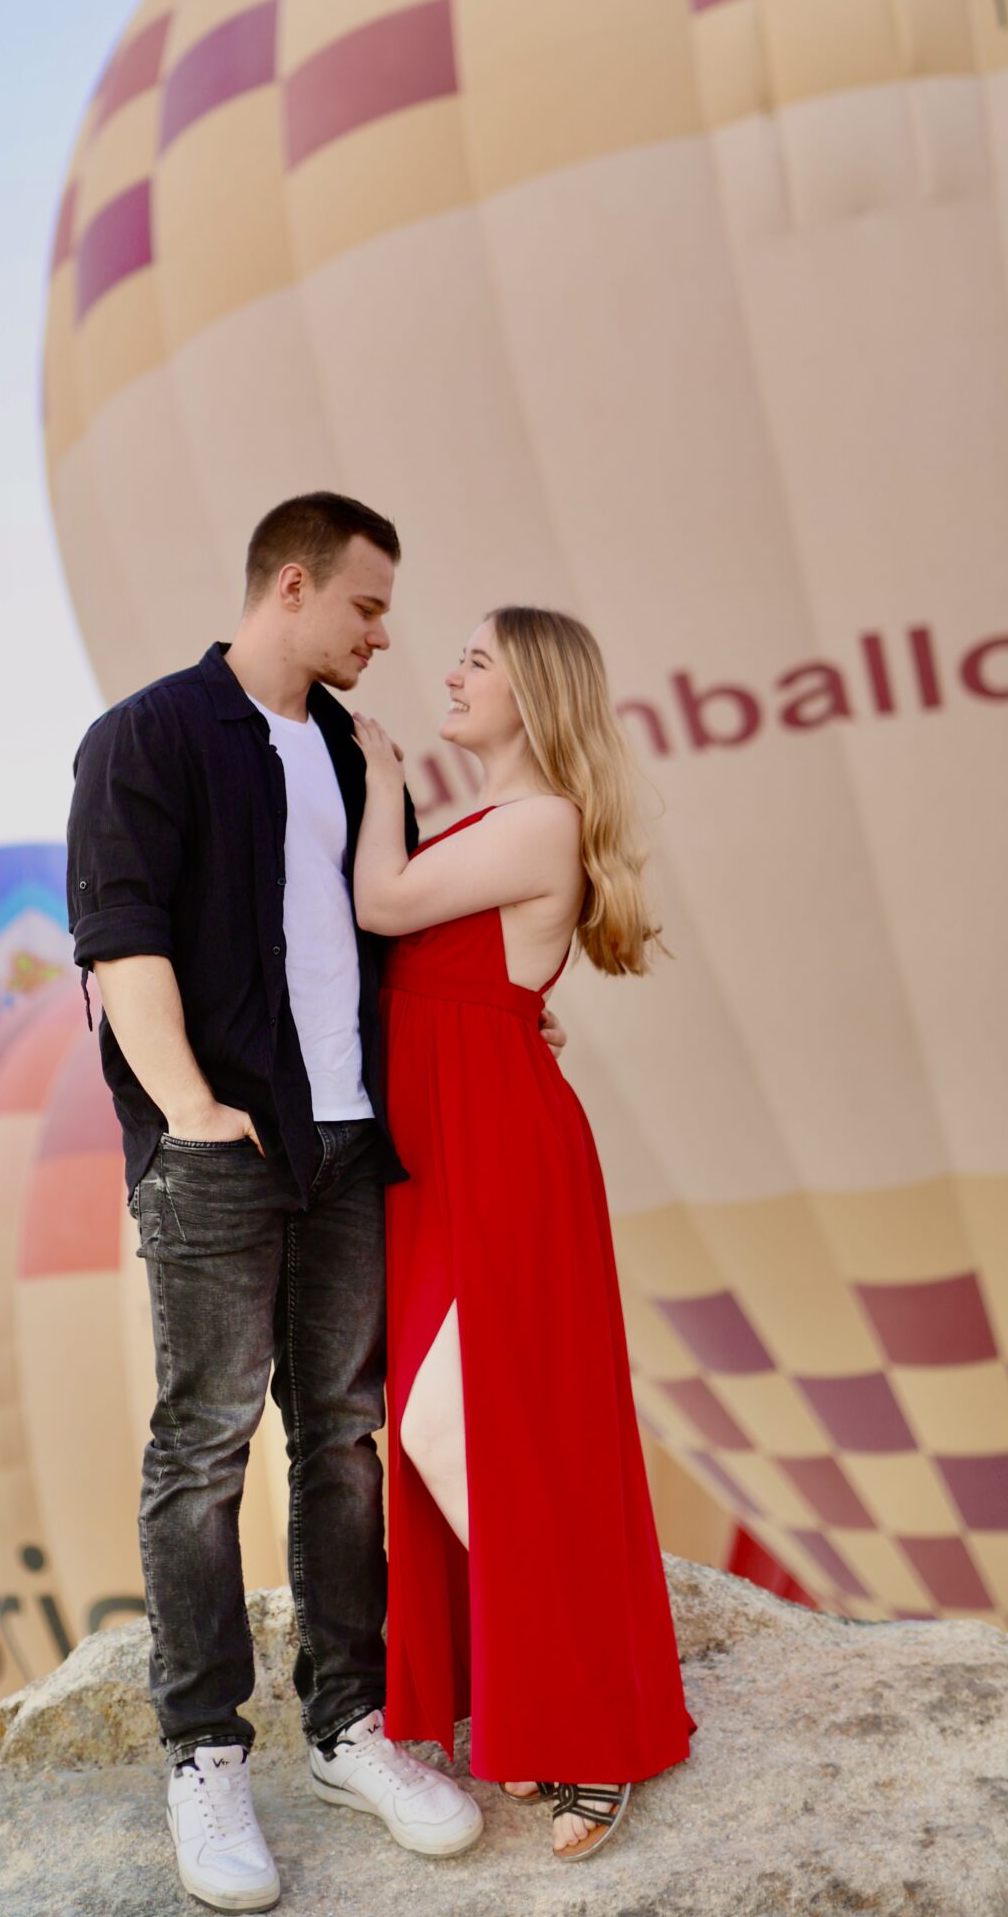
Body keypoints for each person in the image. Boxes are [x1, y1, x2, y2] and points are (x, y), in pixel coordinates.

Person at [67, 495, 565, 1913]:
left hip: (352, 1141)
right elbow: (119, 935)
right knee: (206, 1441)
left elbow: (392, 926)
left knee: (342, 1436)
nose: (384, 634)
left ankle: (349, 1726)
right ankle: (205, 1752)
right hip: (220, 1144)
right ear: (291, 586)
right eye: (366, 606)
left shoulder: (353, 753)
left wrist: (513, 1011)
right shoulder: (149, 735)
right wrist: (187, 1108)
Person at [351, 604, 696, 1864]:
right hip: (447, 1143)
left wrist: (376, 773)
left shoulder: (541, 816)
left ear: (533, 693)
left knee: (459, 1427)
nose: (452, 673)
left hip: (493, 1146)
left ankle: (589, 1723)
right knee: (462, 1425)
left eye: (477, 660)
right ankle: (541, 1696)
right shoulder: (501, 820)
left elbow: (383, 903)